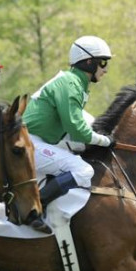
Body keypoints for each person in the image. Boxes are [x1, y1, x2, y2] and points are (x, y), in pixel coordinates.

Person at [21, 35, 114, 227]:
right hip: (30, 142)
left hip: (35, 140)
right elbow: (77, 129)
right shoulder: (70, 84)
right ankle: (34, 210)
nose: (105, 69)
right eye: (102, 62)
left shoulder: (74, 83)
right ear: (89, 62)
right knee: (83, 169)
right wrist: (106, 140)